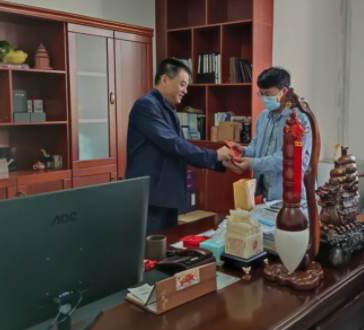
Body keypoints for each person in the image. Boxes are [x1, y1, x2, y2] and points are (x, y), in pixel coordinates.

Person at [125, 58, 235, 232]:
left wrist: (220, 161)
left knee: (168, 243)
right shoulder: (145, 105)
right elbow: (173, 145)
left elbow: (181, 148)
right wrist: (215, 155)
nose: (185, 91)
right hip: (151, 196)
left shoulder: (168, 108)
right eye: (182, 84)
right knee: (151, 246)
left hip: (167, 195)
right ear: (164, 79)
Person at [227, 67, 311, 201]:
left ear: (284, 91)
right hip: (267, 194)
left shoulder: (299, 119)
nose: (265, 98)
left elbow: (288, 158)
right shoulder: (263, 117)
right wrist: (244, 151)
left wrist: (252, 163)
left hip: (293, 194)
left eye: (268, 94)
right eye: (261, 94)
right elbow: (257, 147)